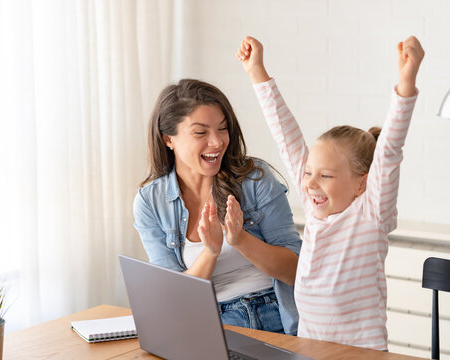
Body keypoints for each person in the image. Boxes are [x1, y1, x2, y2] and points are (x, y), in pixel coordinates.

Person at [236, 35, 424, 350]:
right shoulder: (315, 205)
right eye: (308, 173)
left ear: (362, 183)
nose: (309, 183)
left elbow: (390, 150)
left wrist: (406, 82)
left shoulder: (371, 213)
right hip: (311, 345)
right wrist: (257, 71)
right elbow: (286, 136)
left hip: (360, 351)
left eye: (325, 175)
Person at [133, 78, 303, 335]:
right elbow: (175, 300)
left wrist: (240, 239)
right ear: (168, 139)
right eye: (201, 132)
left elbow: (296, 271)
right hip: (210, 325)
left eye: (222, 129)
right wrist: (210, 253)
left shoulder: (255, 179)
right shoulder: (150, 201)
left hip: (274, 315)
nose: (217, 142)